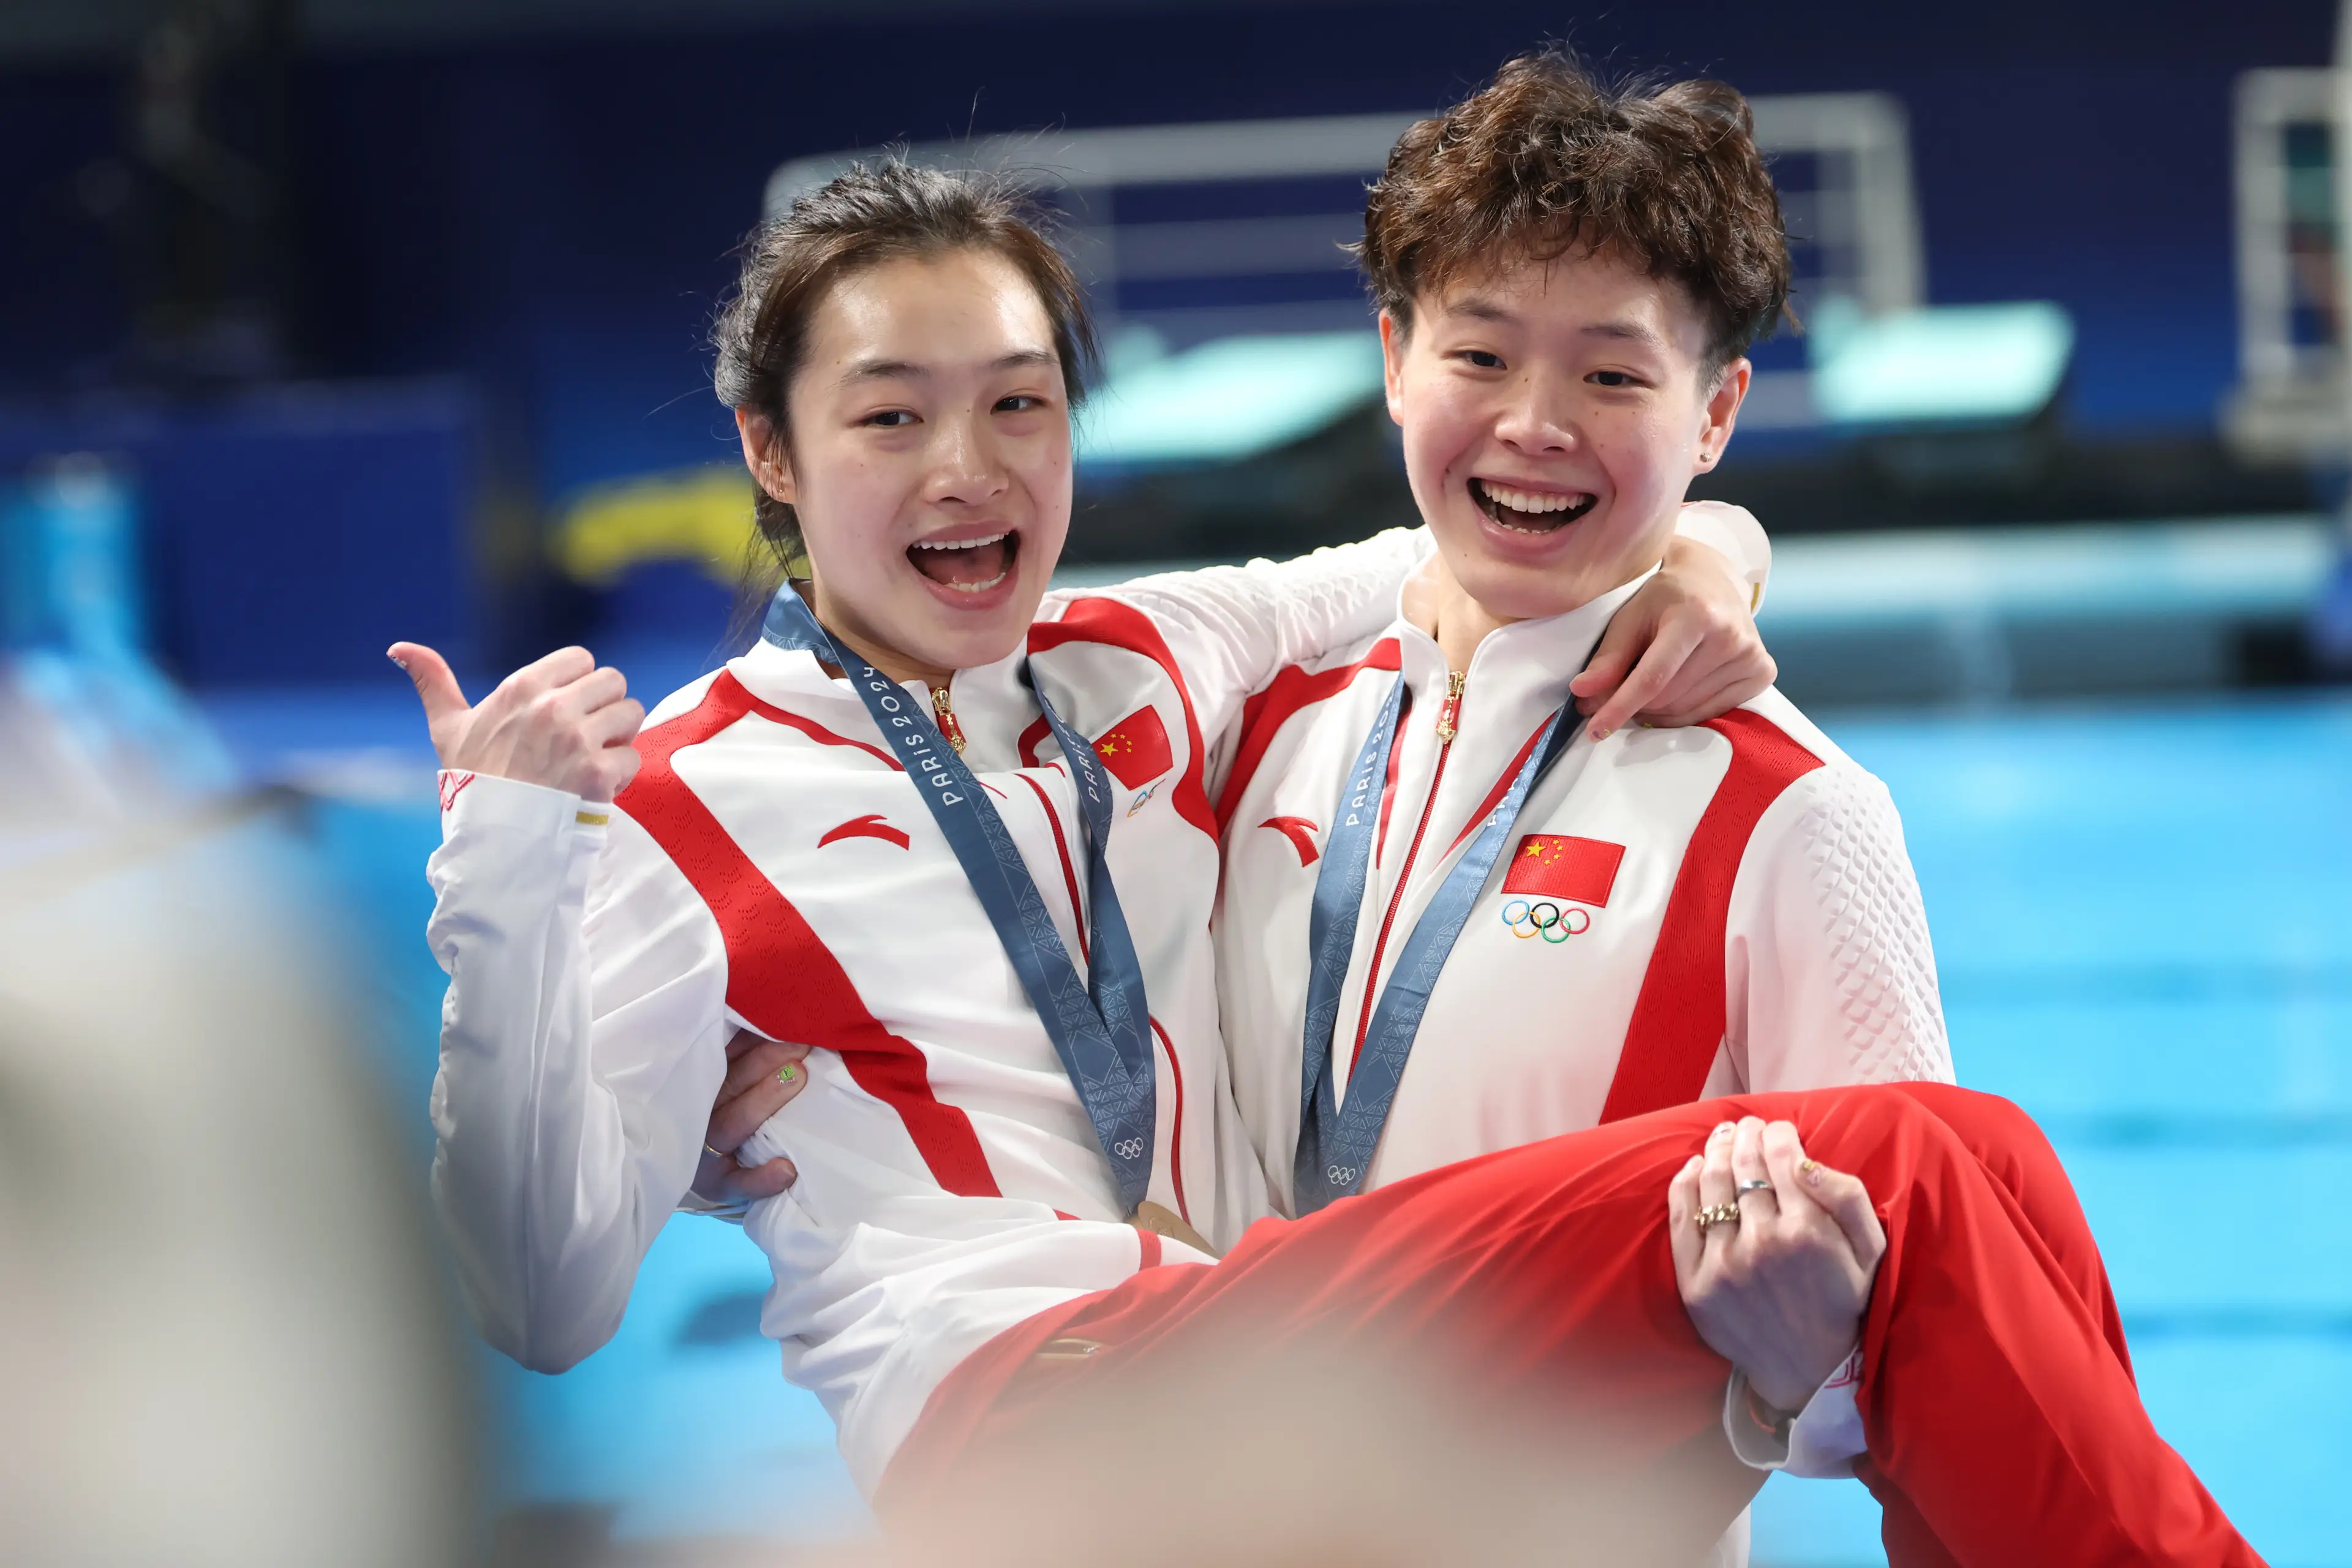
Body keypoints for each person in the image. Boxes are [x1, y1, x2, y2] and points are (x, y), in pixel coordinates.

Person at [396, 157, 1771, 1507]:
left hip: (1264, 1376)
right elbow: (541, 1299)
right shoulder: (677, 799)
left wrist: (1714, 555)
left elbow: (1489, 540)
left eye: (1020, 404)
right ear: (771, 447)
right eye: (891, 419)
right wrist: (505, 865)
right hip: (1021, 1408)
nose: (969, 470)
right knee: (1801, 1218)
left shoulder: (1148, 655)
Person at [1205, 58, 1953, 1552]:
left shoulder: (1795, 813)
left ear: (1719, 407)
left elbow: (1913, 1353)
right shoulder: (1239, 728)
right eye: (1480, 358)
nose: (1535, 424)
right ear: (1394, 358)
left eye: (1613, 375)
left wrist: (1800, 1362)